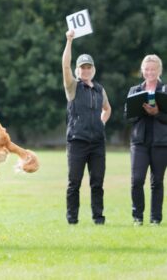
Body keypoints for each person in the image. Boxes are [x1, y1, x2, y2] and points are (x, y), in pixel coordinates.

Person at [62, 30, 111, 225]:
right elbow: (65, 64)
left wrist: (101, 122)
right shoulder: (72, 86)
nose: (85, 70)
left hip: (98, 143)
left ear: (93, 70)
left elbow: (107, 109)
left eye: (88, 67)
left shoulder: (100, 89)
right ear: (77, 70)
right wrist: (69, 40)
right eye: (82, 67)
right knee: (74, 183)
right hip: (77, 142)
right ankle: (72, 219)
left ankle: (98, 218)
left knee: (97, 183)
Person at [125, 54, 167, 226]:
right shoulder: (134, 90)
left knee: (157, 182)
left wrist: (157, 113)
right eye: (147, 69)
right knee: (136, 181)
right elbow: (127, 116)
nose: (150, 72)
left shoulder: (165, 90)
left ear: (159, 71)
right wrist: (143, 110)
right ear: (142, 71)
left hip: (161, 143)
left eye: (153, 69)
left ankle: (155, 218)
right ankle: (137, 217)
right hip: (139, 143)